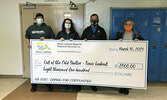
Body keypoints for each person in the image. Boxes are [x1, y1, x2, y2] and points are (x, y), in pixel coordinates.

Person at [25, 13, 55, 92]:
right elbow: (26, 37)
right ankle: (34, 85)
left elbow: (53, 39)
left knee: (46, 68)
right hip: (35, 53)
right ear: (35, 19)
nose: (39, 19)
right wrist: (28, 44)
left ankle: (48, 85)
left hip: (46, 53)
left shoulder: (48, 28)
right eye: (38, 18)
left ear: (43, 20)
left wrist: (45, 39)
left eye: (41, 18)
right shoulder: (31, 28)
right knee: (35, 68)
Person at [115, 19, 144, 95]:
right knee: (121, 72)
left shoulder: (136, 33)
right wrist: (118, 40)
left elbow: (143, 42)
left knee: (128, 72)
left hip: (131, 56)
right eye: (127, 24)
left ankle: (127, 87)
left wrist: (138, 41)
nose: (128, 26)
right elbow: (114, 42)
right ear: (124, 25)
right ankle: (122, 87)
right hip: (121, 55)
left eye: (130, 24)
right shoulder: (120, 33)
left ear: (132, 25)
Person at [81, 14, 107, 92]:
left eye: (96, 19)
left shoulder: (102, 30)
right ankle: (86, 82)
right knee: (88, 68)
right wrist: (84, 39)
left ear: (98, 20)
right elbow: (81, 39)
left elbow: (105, 41)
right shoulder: (86, 30)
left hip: (98, 53)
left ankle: (94, 84)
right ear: (90, 20)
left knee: (95, 69)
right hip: (88, 53)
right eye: (93, 19)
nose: (94, 20)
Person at [56, 18, 80, 91]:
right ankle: (64, 85)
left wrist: (74, 41)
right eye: (66, 23)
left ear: (71, 25)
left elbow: (80, 43)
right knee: (64, 70)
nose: (67, 24)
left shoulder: (74, 33)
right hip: (62, 56)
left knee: (72, 70)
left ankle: (72, 85)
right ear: (64, 24)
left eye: (69, 23)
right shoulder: (60, 33)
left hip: (72, 56)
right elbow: (54, 43)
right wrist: (59, 40)